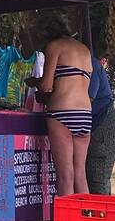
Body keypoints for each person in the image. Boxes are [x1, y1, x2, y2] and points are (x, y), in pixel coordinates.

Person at [28, 18, 94, 196]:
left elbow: (47, 86)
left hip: (62, 112)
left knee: (65, 175)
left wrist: (33, 82)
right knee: (80, 173)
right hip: (85, 113)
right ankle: (84, 219)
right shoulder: (84, 50)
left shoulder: (55, 46)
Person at [85, 59, 115, 194]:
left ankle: (103, 211)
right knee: (95, 174)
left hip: (106, 117)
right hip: (106, 114)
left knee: (97, 176)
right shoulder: (104, 64)